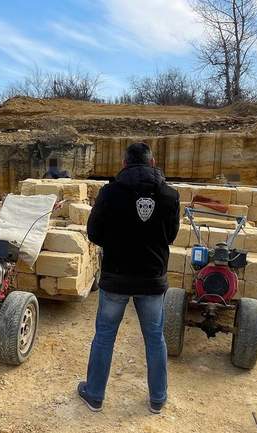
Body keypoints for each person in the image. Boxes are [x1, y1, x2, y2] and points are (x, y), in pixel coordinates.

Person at [78, 142, 179, 414]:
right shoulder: (170, 195)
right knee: (155, 338)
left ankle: (95, 395)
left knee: (105, 336)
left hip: (116, 277)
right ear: (153, 163)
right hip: (152, 279)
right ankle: (158, 398)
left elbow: (95, 233)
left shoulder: (109, 193)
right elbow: (170, 236)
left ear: (124, 164)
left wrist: (118, 239)